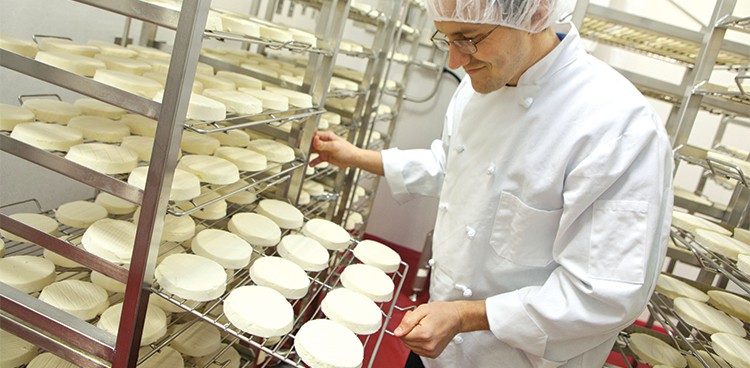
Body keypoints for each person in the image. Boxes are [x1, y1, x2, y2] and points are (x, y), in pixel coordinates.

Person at [311, 0, 674, 367]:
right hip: (438, 341)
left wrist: (466, 316)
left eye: (468, 39)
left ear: (536, 14)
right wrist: (354, 156)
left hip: (515, 358)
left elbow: (603, 295)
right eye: (446, 39)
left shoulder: (618, 126)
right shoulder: (477, 84)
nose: (455, 60)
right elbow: (449, 165)